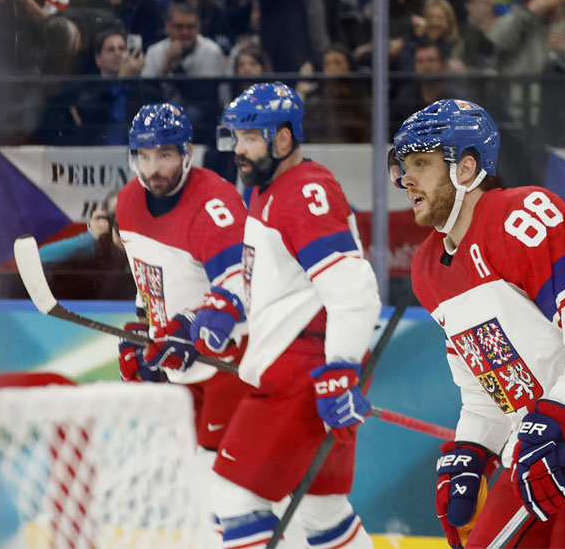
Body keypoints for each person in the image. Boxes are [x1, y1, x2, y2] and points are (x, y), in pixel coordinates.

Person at [392, 99, 565, 548]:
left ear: (466, 168)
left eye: (421, 164)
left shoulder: (522, 216)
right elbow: (489, 386)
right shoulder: (428, 268)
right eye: (403, 167)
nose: (405, 179)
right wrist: (473, 451)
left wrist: (553, 420)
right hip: (538, 450)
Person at [207, 82, 378, 549]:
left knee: (234, 498)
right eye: (236, 137)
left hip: (306, 373)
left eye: (250, 138)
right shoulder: (268, 189)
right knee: (323, 511)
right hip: (308, 367)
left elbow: (355, 289)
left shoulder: (302, 192)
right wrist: (224, 312)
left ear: (283, 138)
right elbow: (276, 287)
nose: (239, 149)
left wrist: (340, 369)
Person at [112, 103, 253, 492]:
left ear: (187, 153)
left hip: (229, 361)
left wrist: (191, 326)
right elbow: (149, 280)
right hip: (180, 366)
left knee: (225, 489)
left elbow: (244, 287)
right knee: (190, 484)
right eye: (144, 156)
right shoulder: (128, 202)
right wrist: (144, 329)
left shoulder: (215, 204)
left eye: (164, 156)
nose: (153, 168)